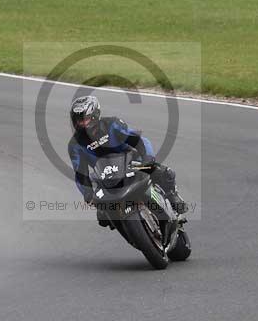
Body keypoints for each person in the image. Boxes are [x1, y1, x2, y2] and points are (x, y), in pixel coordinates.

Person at [67, 95, 186, 227]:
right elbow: (80, 173)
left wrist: (147, 159)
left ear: (95, 115)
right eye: (78, 121)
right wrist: (87, 193)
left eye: (85, 119)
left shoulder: (113, 124)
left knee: (164, 173)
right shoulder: (74, 145)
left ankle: (173, 197)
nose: (82, 124)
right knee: (103, 218)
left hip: (132, 163)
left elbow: (140, 141)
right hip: (105, 176)